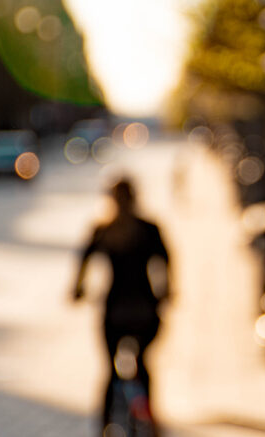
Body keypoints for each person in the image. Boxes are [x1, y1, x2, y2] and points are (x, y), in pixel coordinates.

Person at [73, 178, 169, 436]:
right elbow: (166, 261)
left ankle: (105, 425)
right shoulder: (149, 228)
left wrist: (78, 290)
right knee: (143, 363)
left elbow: (83, 262)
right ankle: (150, 418)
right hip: (145, 309)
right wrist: (167, 292)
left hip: (114, 309)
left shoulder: (105, 230)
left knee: (109, 368)